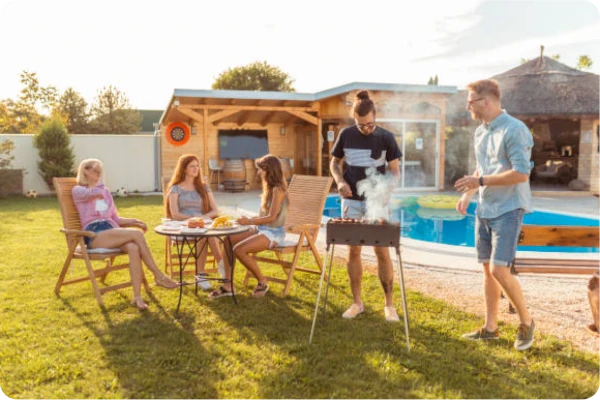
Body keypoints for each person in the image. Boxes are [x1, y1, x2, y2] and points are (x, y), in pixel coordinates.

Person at [454, 79, 535, 351]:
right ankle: (490, 328)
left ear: (485, 101)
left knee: (499, 268)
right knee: (488, 271)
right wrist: (468, 194)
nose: (468, 107)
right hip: (485, 208)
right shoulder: (480, 132)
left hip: (509, 208)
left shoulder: (515, 130)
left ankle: (526, 322)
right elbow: (481, 169)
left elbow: (521, 173)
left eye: (470, 101)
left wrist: (481, 183)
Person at [329, 90, 402, 322]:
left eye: (370, 124)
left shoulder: (387, 138)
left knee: (382, 251)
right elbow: (334, 163)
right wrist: (340, 181)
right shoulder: (346, 135)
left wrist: (386, 192)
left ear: (375, 117)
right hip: (351, 201)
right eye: (361, 125)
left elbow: (394, 172)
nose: (366, 129)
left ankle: (389, 305)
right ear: (354, 119)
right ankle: (357, 302)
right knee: (354, 251)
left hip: (377, 201)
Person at [72, 158, 179, 311]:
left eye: (100, 171)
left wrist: (134, 220)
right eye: (95, 170)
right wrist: (101, 185)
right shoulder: (78, 191)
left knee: (133, 247)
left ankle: (137, 297)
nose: (98, 173)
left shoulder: (105, 191)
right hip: (94, 234)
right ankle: (158, 275)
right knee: (136, 235)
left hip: (111, 230)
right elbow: (94, 193)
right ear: (85, 171)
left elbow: (114, 218)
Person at [208, 154, 289, 299]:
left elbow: (271, 218)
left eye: (261, 170)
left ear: (270, 171)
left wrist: (250, 222)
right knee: (227, 240)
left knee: (239, 250)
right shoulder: (268, 188)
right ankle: (228, 286)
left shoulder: (278, 189)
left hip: (274, 232)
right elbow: (263, 216)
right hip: (262, 229)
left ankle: (262, 282)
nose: (258, 172)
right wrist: (247, 220)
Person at [165, 154, 225, 291]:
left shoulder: (204, 187)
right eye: (192, 166)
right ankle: (220, 268)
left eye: (197, 166)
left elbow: (215, 210)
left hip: (203, 225)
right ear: (184, 169)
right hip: (183, 226)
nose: (196, 168)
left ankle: (202, 275)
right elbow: (175, 214)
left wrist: (202, 218)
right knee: (206, 235)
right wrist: (193, 221)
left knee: (206, 234)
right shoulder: (175, 189)